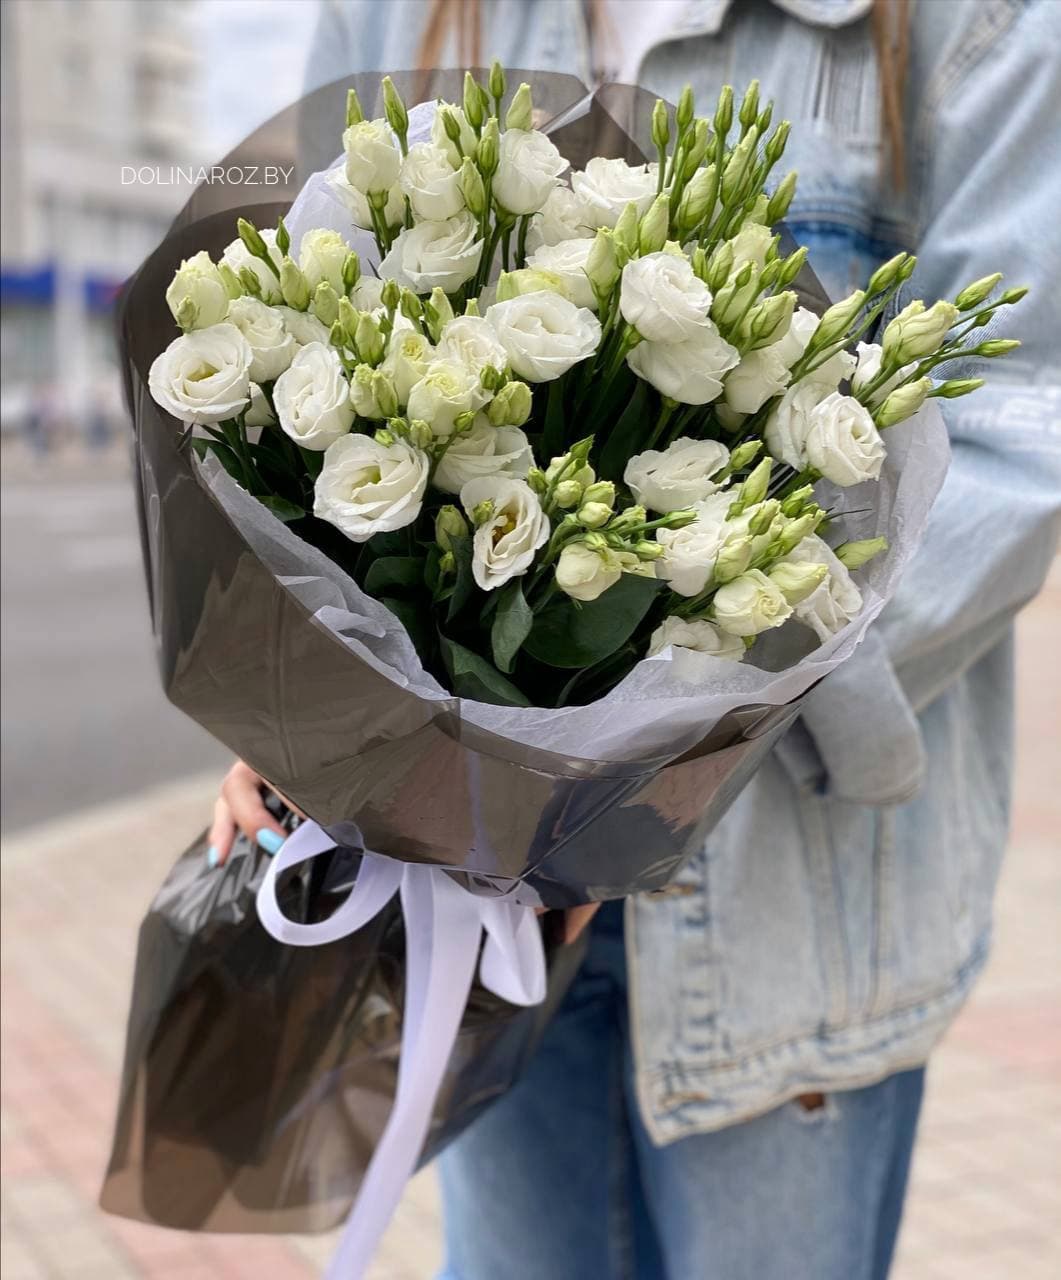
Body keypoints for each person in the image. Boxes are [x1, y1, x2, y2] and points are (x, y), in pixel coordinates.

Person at [208, 2, 1061, 1276]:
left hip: (789, 911)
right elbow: (294, 339)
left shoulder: (963, 23)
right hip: (469, 887)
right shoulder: (400, 11)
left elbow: (1012, 431)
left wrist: (644, 752)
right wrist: (294, 712)